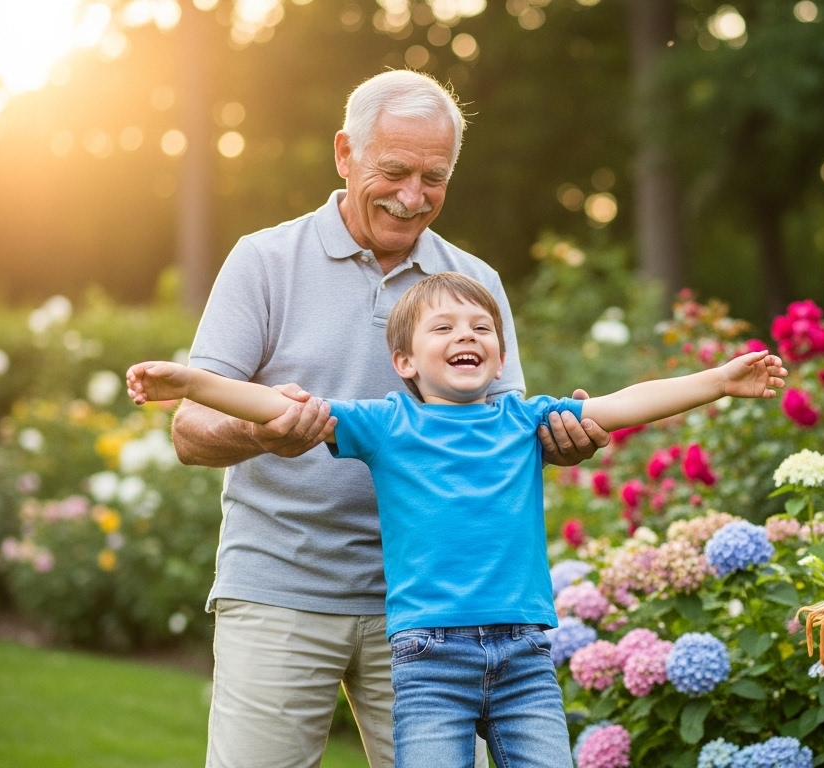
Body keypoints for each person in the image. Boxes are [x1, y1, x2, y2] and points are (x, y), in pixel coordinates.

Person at [127, 271, 787, 767]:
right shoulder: (386, 423)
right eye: (443, 329)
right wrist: (190, 383)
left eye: (480, 329)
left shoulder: (526, 420)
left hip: (525, 655)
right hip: (429, 660)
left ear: (500, 358)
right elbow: (270, 406)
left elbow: (628, 403)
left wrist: (720, 380)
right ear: (406, 362)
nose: (465, 337)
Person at [172, 70, 608, 768]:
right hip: (282, 584)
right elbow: (189, 431)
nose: (412, 197)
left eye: (433, 178)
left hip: (437, 614)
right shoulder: (264, 261)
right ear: (345, 154)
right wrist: (257, 433)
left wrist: (562, 443)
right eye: (395, 170)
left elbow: (501, 429)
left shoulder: (472, 286)